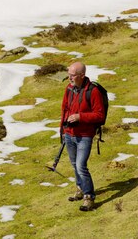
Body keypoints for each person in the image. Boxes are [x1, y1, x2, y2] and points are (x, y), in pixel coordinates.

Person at [60, 61, 105, 211]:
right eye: (69, 75)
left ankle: (89, 197)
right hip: (69, 134)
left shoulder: (93, 92)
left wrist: (80, 117)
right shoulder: (69, 89)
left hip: (85, 135)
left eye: (72, 75)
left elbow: (99, 115)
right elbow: (65, 109)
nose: (69, 78)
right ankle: (80, 188)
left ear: (82, 75)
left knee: (81, 166)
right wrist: (63, 129)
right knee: (74, 165)